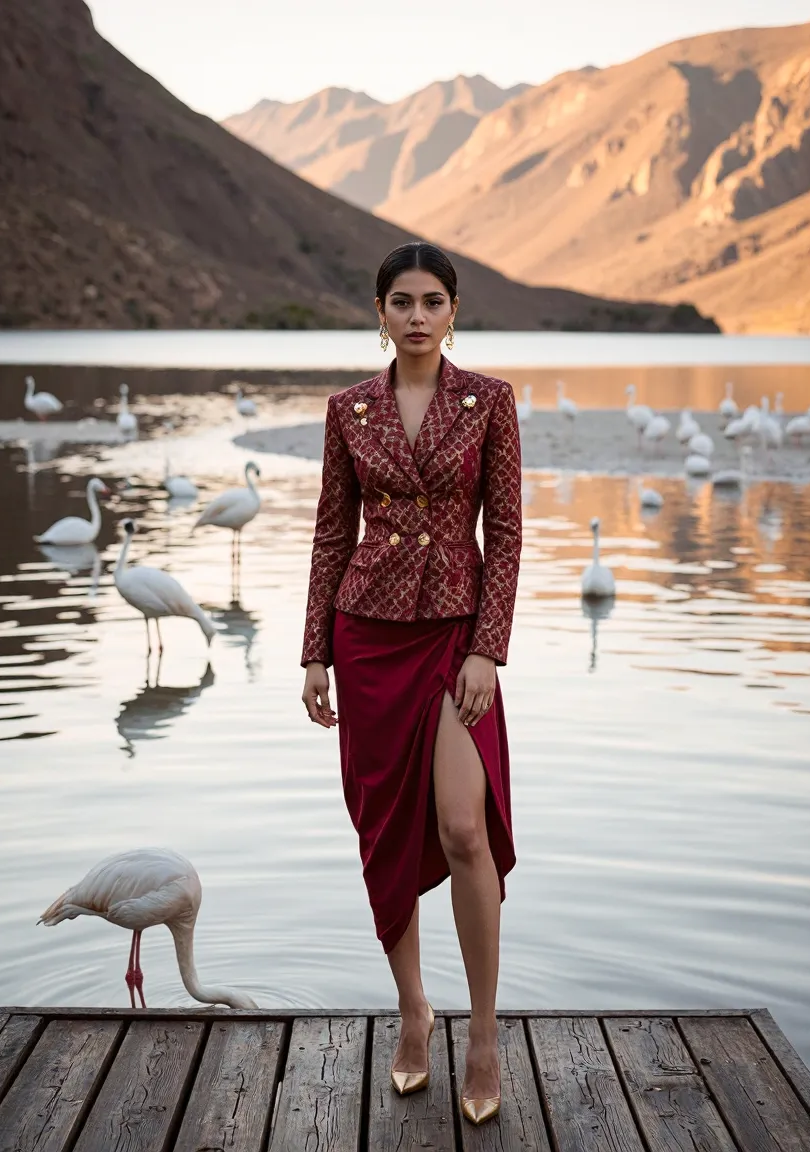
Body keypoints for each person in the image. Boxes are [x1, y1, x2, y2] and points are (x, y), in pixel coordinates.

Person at [300, 241, 522, 1126]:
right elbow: (328, 532)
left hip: (457, 638)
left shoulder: (491, 403)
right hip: (368, 638)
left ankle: (483, 1033)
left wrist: (487, 649)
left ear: (455, 310)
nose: (419, 314)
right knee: (386, 832)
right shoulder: (349, 409)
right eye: (403, 301)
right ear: (381, 313)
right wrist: (313, 651)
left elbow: (503, 535)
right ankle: (413, 1011)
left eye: (434, 300)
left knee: (464, 828)